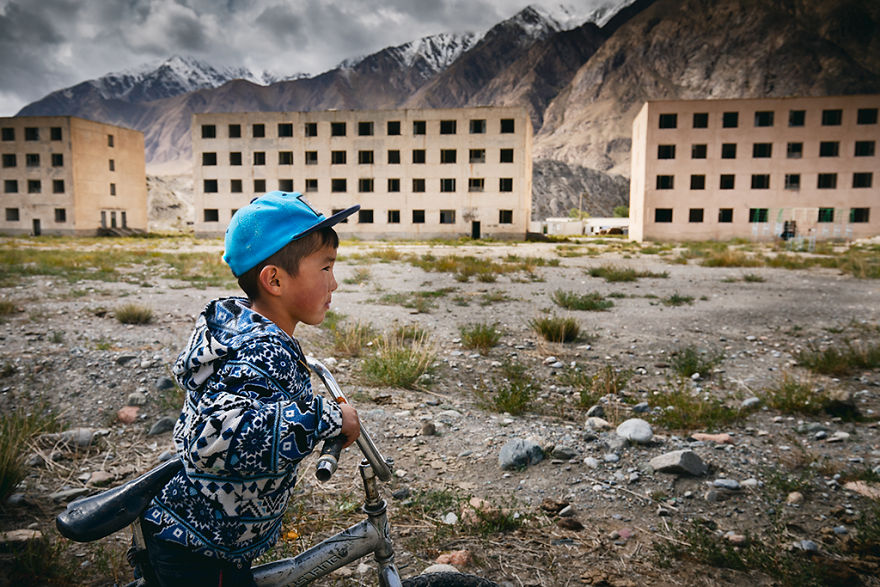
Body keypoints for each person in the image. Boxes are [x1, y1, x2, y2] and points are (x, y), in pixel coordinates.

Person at [139, 191, 361, 586]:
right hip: (199, 549)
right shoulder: (261, 350)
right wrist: (324, 418)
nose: (335, 282)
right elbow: (213, 438)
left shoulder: (253, 334)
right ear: (274, 279)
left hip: (207, 541)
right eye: (325, 268)